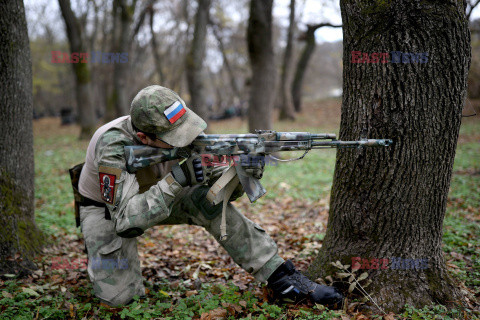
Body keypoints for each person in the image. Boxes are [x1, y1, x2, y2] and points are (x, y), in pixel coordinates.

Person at [76, 85, 343, 307]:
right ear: (144, 138)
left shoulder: (184, 131)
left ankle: (281, 277)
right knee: (121, 301)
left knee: (208, 202)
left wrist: (242, 172)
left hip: (162, 195)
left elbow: (224, 194)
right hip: (109, 210)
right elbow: (125, 222)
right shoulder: (111, 144)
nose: (187, 139)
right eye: (175, 137)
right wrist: (178, 178)